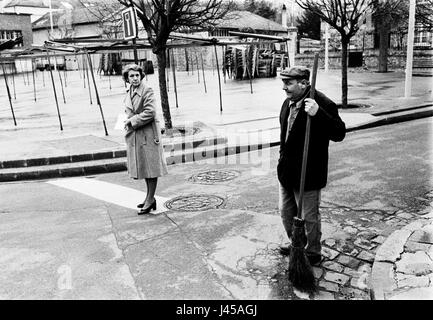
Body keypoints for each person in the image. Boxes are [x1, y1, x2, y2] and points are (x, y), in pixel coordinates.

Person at [277, 66, 346, 265]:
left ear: (304, 83)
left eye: (288, 83)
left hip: (308, 173)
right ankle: (296, 244)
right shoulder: (287, 103)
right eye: (284, 82)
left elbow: (339, 133)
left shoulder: (323, 103)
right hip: (287, 172)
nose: (284, 87)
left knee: (309, 216)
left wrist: (319, 114)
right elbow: (285, 136)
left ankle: (313, 251)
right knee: (286, 212)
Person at [122, 64, 168, 215]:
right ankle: (149, 197)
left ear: (141, 76)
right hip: (137, 134)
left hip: (148, 134)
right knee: (144, 168)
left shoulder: (147, 90)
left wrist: (133, 120)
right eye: (131, 76)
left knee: (151, 169)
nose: (135, 78)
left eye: (137, 75)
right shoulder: (130, 91)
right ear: (127, 79)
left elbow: (151, 112)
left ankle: (150, 199)